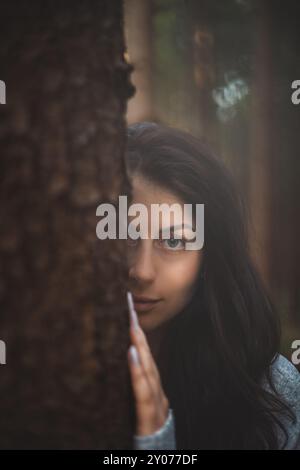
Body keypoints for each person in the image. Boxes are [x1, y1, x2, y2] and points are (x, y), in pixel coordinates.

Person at [124, 121, 300, 450]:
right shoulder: (41, 369)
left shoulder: (270, 389)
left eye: (174, 241)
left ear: (209, 256)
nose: (142, 271)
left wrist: (154, 445)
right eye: (123, 237)